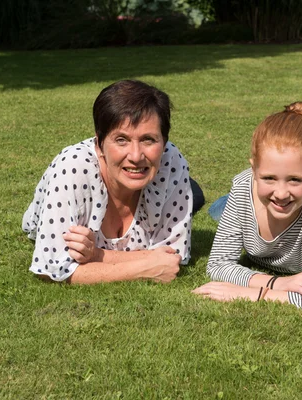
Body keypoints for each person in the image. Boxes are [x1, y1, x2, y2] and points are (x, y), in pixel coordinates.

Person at [22, 80, 203, 284]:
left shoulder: (171, 161)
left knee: (194, 195)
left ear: (164, 142)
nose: (135, 155)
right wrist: (144, 268)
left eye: (148, 140)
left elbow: (174, 256)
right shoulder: (72, 167)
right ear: (99, 145)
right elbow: (50, 269)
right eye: (121, 140)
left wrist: (98, 256)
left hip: (153, 181)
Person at [193, 102, 302, 312]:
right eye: (269, 178)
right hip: (248, 199)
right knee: (219, 208)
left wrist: (256, 294)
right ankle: (226, 204)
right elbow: (218, 265)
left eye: (295, 180)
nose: (281, 193)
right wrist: (279, 283)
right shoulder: (243, 184)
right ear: (253, 169)